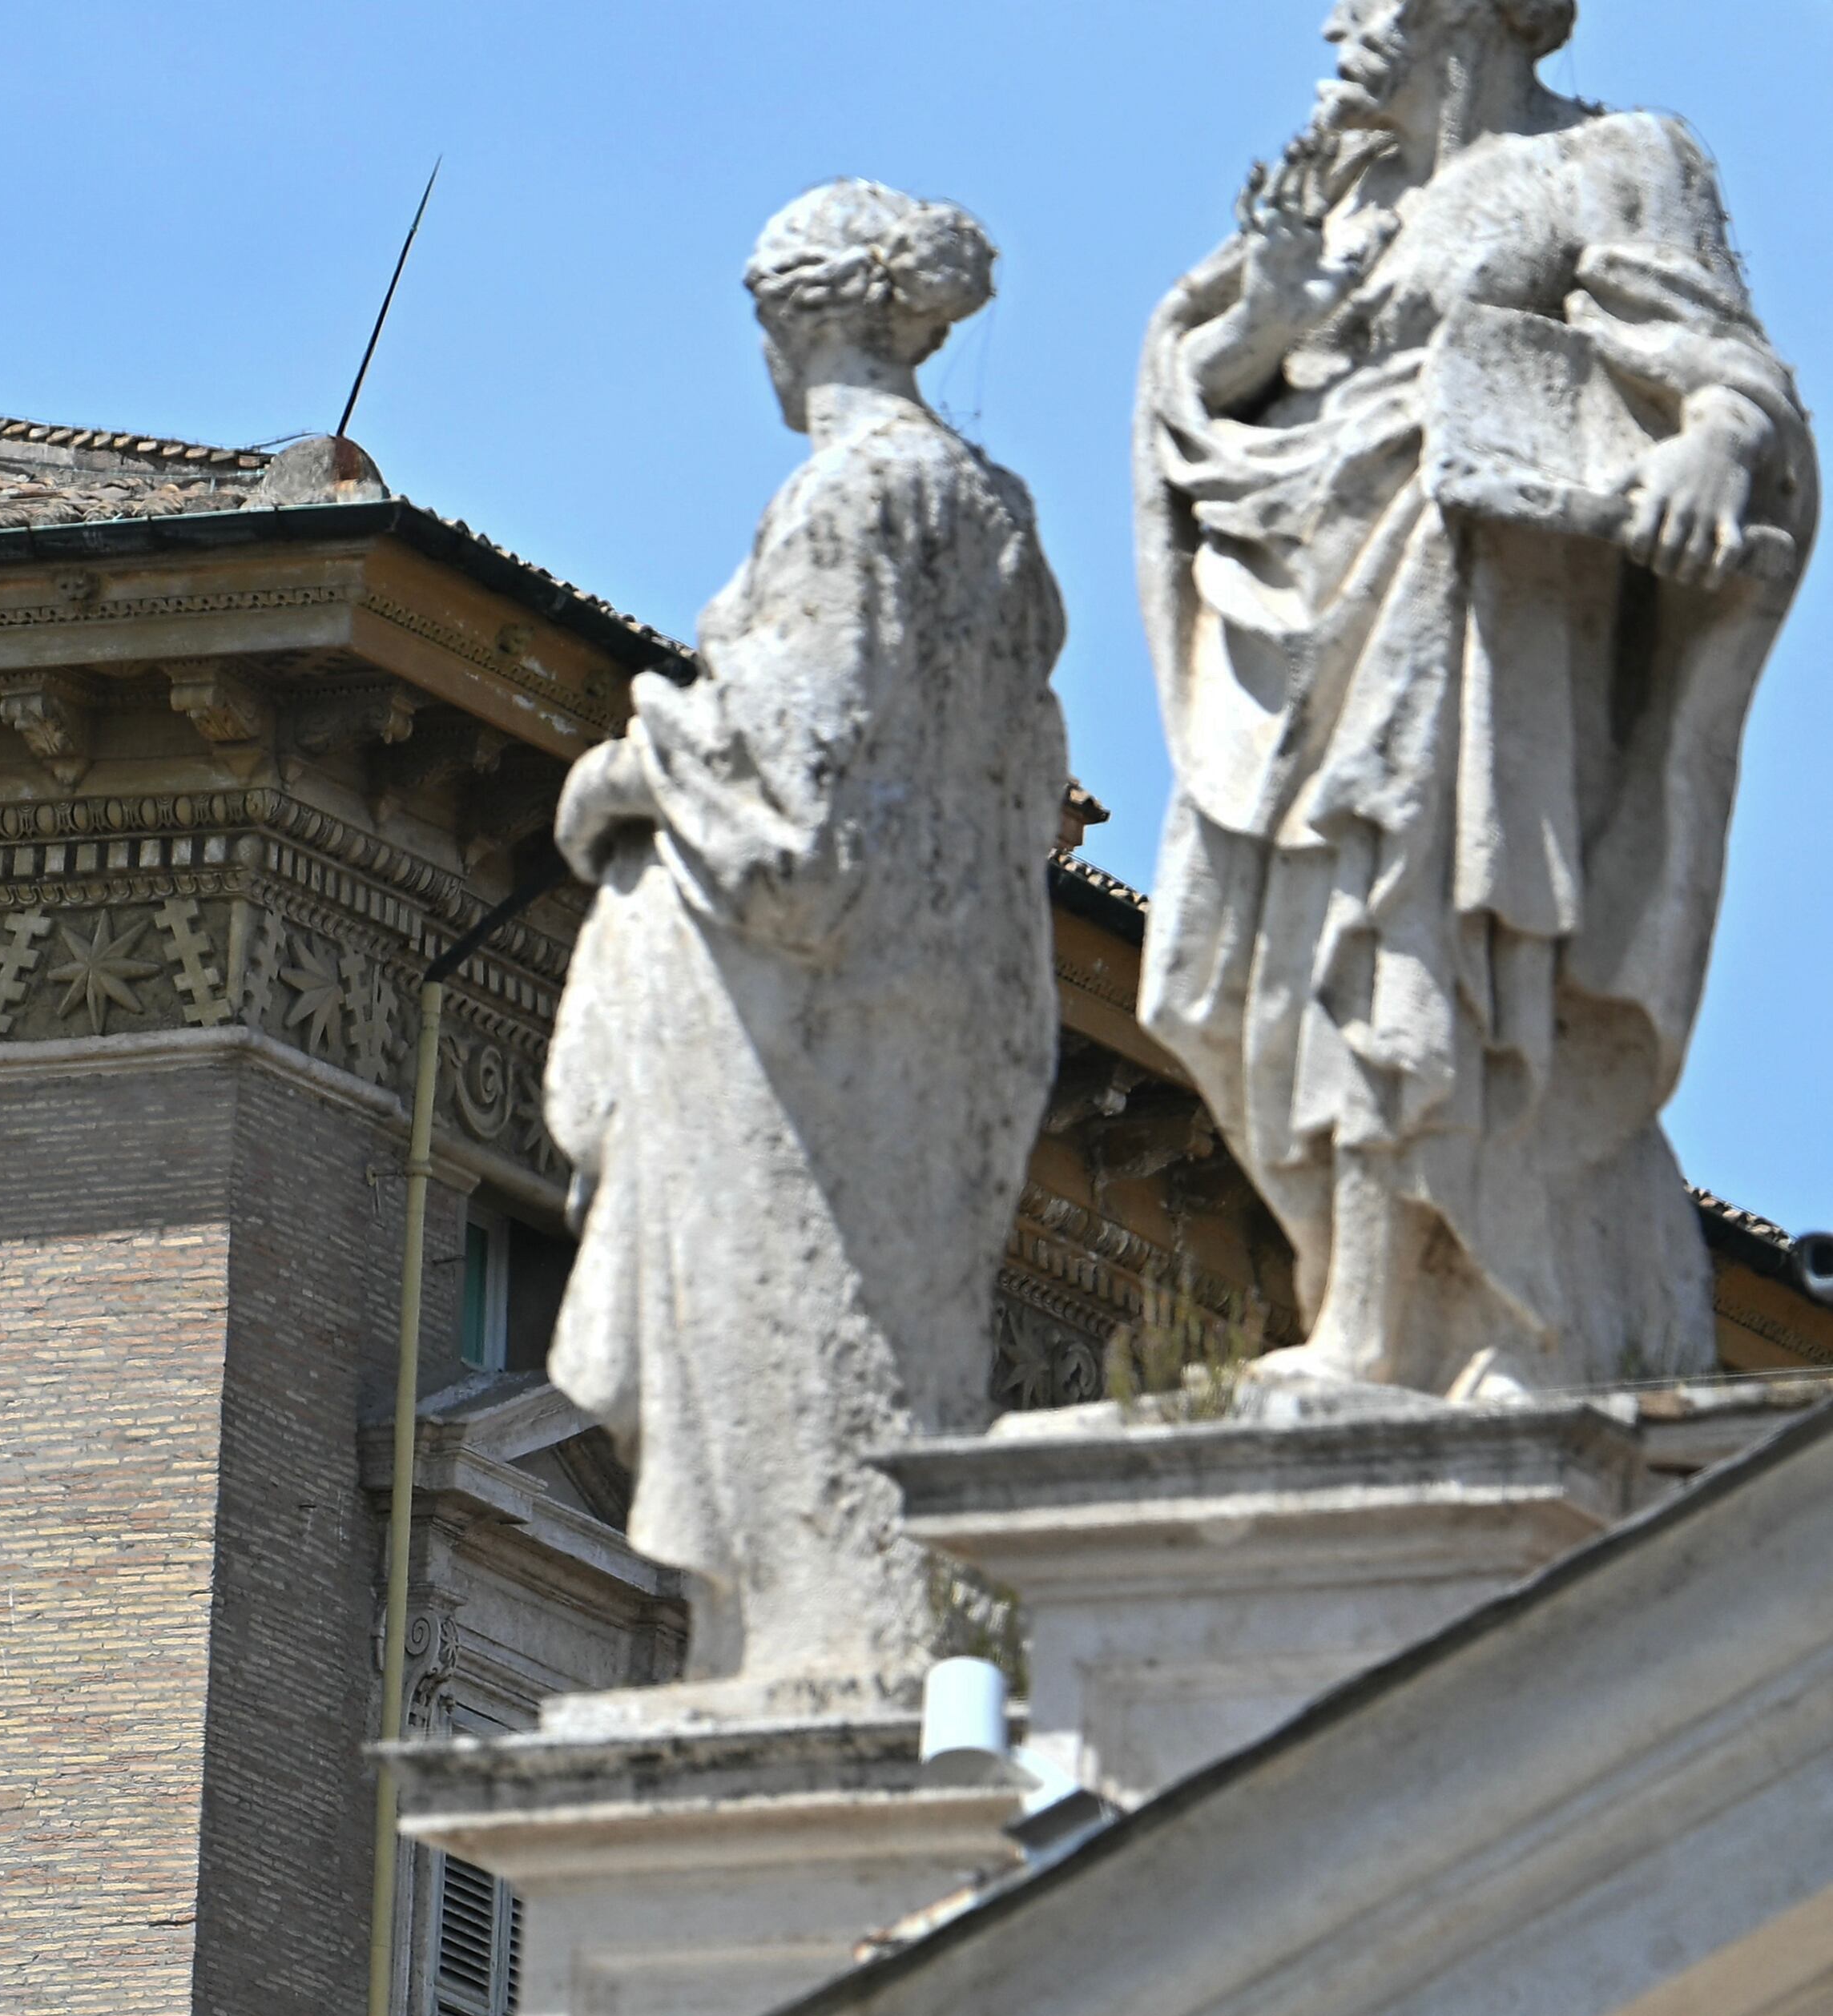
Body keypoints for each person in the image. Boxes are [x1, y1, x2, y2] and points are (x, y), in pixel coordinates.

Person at [1138, 0, 1812, 1397]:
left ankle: (1420, 1321)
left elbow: (1727, 368)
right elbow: (1201, 395)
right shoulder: (1340, 182)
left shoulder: (1610, 159)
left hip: (1479, 620)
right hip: (1296, 618)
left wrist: (1711, 448)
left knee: (1428, 932)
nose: (1339, 23)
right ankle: (1375, 1292)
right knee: (1264, 962)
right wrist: (1261, 318)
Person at [548, 179, 1069, 1684]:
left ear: (790, 323)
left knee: (798, 1345)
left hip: (808, 1039)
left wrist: (631, 764)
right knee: (900, 1350)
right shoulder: (994, 509)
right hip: (955, 1009)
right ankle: (835, 1636)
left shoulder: (850, 500)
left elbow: (797, 816)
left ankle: (804, 1649)